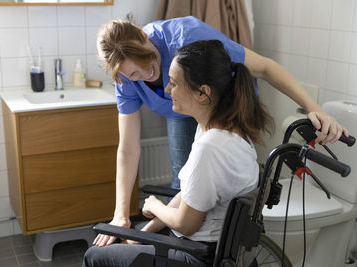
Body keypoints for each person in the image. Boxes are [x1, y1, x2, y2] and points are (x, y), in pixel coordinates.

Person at [94, 16, 348, 247]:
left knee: (217, 183)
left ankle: (214, 248)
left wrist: (314, 109)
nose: (147, 74)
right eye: (134, 74)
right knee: (188, 183)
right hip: (186, 111)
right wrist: (121, 214)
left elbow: (265, 68)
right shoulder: (125, 76)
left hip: (224, 108)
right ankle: (169, 244)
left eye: (148, 60)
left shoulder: (186, 37)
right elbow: (128, 148)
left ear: (144, 36)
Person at [83, 39, 274, 267]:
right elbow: (189, 194)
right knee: (126, 242)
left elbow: (186, 224)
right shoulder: (219, 129)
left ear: (202, 93)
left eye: (173, 83)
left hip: (195, 256)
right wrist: (143, 233)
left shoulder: (211, 147)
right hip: (205, 246)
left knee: (95, 257)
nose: (166, 89)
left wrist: (154, 205)